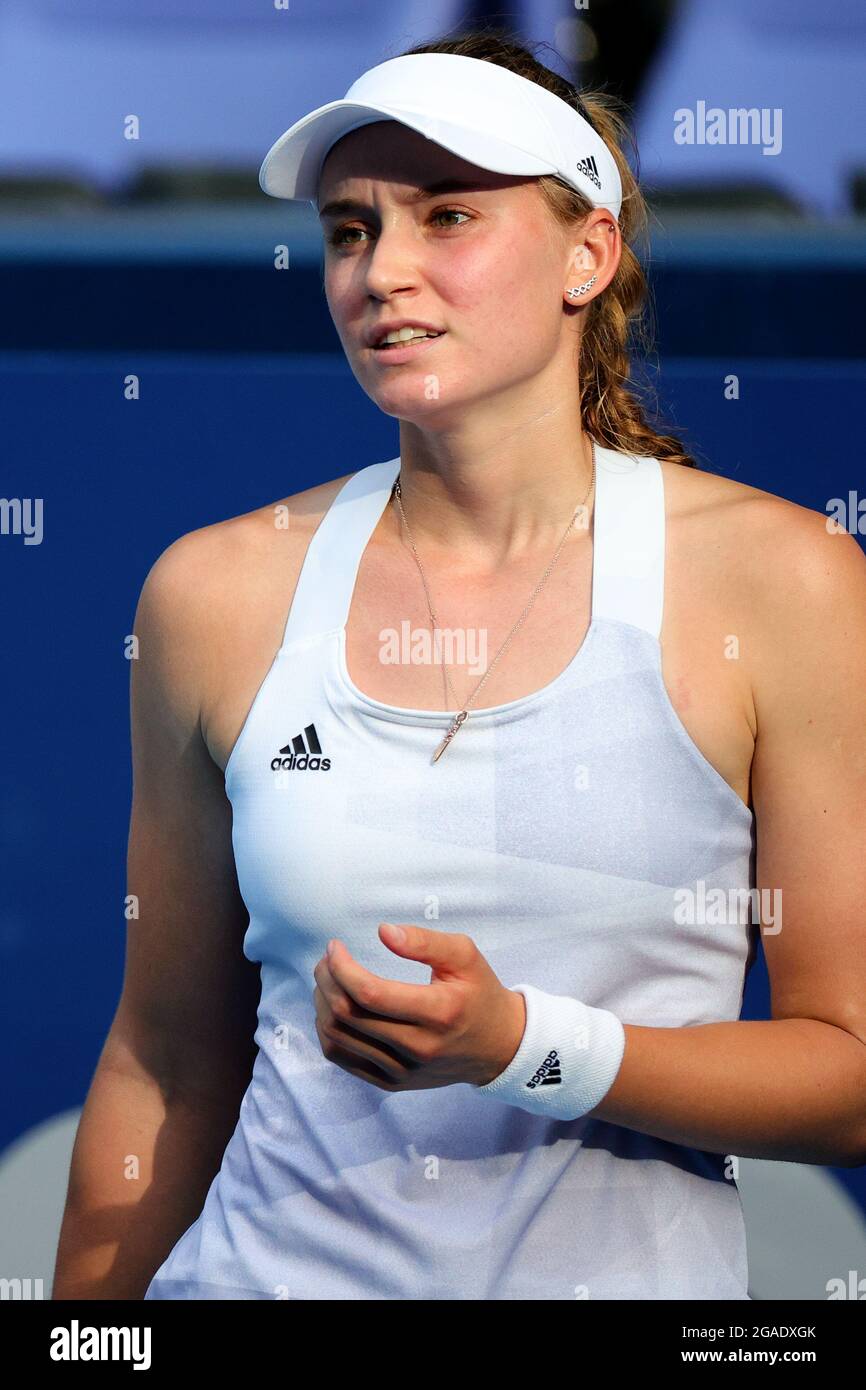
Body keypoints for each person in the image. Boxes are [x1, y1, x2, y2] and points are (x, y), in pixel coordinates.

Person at [53, 31, 866, 1302]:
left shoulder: (790, 583)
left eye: (447, 216)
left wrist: (521, 1045)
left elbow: (849, 1073)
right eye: (348, 231)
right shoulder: (210, 594)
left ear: (587, 254)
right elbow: (162, 1060)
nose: (384, 272)